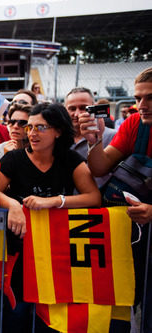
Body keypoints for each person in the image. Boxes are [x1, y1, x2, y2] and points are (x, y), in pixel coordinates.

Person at [0, 102, 101, 331]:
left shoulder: (71, 160)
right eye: (30, 127)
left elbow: (93, 197)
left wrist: (55, 201)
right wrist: (13, 205)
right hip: (20, 252)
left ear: (58, 131)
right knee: (18, 313)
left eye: (41, 127)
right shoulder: (13, 159)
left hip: (57, 253)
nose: (33, 133)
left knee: (51, 316)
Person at [80, 67, 152, 332]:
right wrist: (93, 141)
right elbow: (100, 167)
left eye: (150, 98)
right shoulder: (135, 124)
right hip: (136, 237)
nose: (141, 105)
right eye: (137, 98)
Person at [64, 87, 117, 188]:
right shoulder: (57, 139)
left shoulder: (113, 137)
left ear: (95, 107)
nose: (77, 114)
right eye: (72, 109)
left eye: (84, 108)